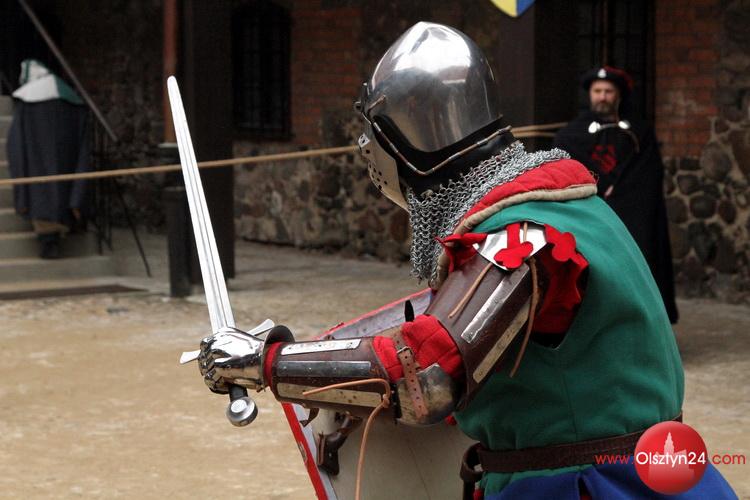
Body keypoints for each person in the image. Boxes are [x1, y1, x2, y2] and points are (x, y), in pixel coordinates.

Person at [195, 23, 733, 499]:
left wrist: (265, 361)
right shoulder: (571, 203)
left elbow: (425, 373)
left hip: (592, 487)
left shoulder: (519, 236)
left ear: (401, 144)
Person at [554, 66, 678, 324]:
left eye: (608, 91)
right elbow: (566, 171)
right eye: (597, 91)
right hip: (590, 217)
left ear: (618, 95)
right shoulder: (570, 135)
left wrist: (619, 193)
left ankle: (642, 323)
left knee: (638, 265)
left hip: (632, 215)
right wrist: (598, 187)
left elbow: (648, 175)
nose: (602, 96)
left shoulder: (639, 133)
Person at [6, 59, 91, 259]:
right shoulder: (72, 103)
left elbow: (15, 145)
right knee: (62, 187)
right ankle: (67, 222)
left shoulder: (27, 107)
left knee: (42, 194)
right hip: (66, 161)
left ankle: (48, 240)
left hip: (37, 164)